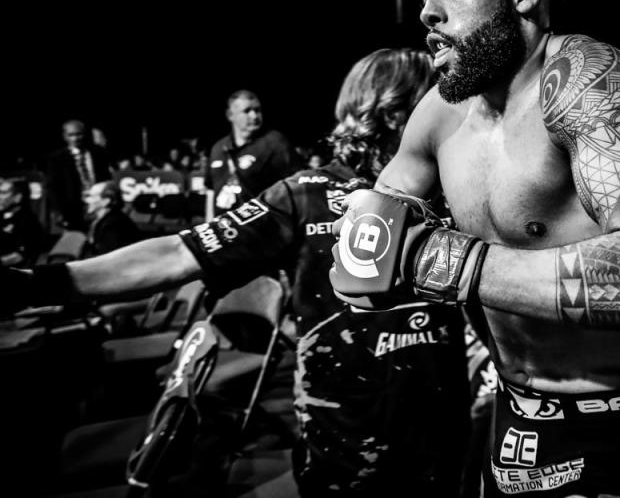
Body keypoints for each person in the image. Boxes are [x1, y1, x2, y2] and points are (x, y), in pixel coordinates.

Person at [328, 0, 620, 497]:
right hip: (509, 414)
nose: (428, 12)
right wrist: (366, 234)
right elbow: (369, 248)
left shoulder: (583, 78)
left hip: (609, 422)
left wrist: (443, 262)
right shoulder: (439, 114)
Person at [2, 49, 473, 497]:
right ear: (394, 112)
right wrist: (36, 284)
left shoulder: (454, 194)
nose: (455, 113)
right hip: (347, 457)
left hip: (448, 446)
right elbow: (176, 254)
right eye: (435, 97)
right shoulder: (304, 194)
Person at [205, 89, 300, 219]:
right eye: (247, 111)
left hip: (262, 229)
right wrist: (208, 224)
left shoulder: (275, 143)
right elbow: (210, 191)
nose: (254, 116)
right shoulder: (218, 148)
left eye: (257, 110)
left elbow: (295, 186)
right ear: (230, 115)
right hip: (224, 230)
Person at [46, 120, 112, 231]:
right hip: (74, 209)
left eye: (79, 134)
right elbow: (53, 187)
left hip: (99, 205)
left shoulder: (98, 153)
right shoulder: (57, 159)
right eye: (71, 135)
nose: (76, 138)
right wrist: (58, 211)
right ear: (65, 136)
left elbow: (106, 178)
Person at [82, 180, 141, 257]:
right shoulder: (108, 220)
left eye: (91, 196)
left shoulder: (112, 226)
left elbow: (111, 258)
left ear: (105, 201)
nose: (86, 201)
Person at [0, 177, 46, 268]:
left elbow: (21, 255)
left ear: (17, 197)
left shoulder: (26, 220)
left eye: (3, 193)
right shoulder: (3, 215)